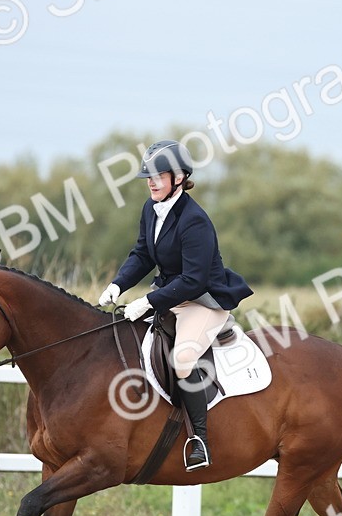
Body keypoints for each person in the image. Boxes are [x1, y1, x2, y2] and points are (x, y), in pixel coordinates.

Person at [98, 140, 253, 471]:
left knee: (182, 359)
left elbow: (194, 281)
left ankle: (199, 441)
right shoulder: (150, 209)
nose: (151, 182)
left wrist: (147, 301)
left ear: (180, 177)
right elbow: (142, 254)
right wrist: (118, 284)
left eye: (158, 176)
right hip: (171, 295)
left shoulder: (194, 220)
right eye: (148, 177)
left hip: (203, 301)